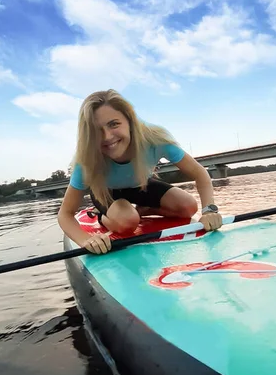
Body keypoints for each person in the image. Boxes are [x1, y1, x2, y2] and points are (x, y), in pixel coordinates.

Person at [58, 89, 222, 254]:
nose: (107, 136)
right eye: (96, 131)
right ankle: (102, 216)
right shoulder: (86, 160)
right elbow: (65, 214)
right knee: (127, 222)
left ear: (130, 121)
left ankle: (144, 209)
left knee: (188, 206)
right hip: (106, 192)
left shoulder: (155, 139)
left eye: (114, 124)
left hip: (140, 184)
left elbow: (200, 173)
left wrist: (209, 210)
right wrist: (87, 239)